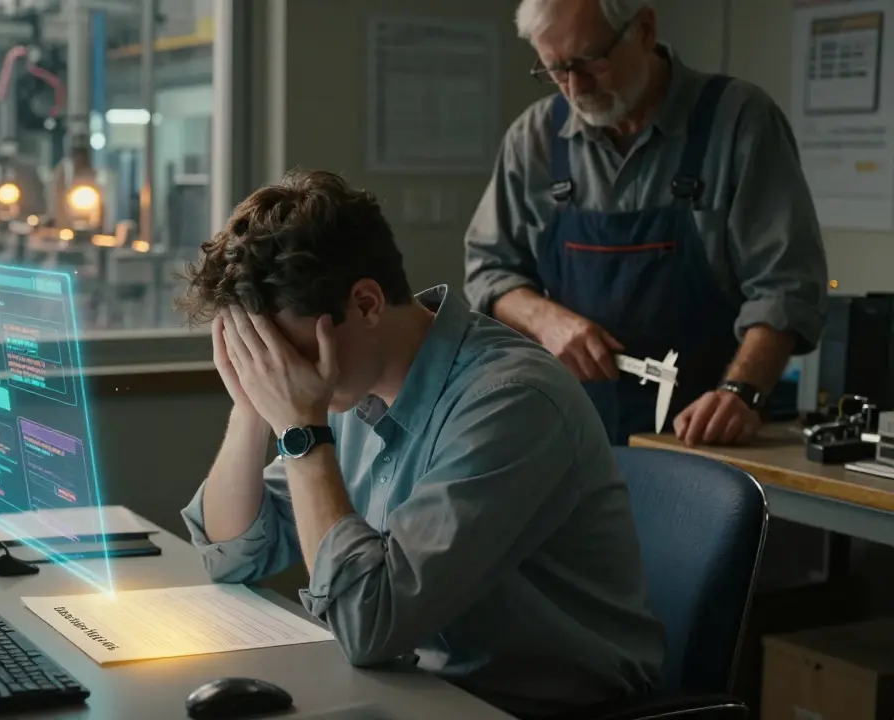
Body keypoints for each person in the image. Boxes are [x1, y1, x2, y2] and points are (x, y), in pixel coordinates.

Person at [176, 169, 664, 718]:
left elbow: (370, 625)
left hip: (531, 708)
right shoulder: (345, 390)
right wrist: (253, 405)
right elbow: (232, 553)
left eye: (284, 350)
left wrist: (301, 431)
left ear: (365, 304)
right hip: (413, 690)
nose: (280, 371)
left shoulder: (511, 402)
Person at [464, 0, 828, 447]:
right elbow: (488, 269)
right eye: (556, 70)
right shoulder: (533, 139)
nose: (576, 88)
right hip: (571, 434)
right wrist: (544, 318)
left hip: (705, 437)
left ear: (645, 29)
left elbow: (786, 287)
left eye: (589, 62)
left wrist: (741, 392)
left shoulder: (739, 122)